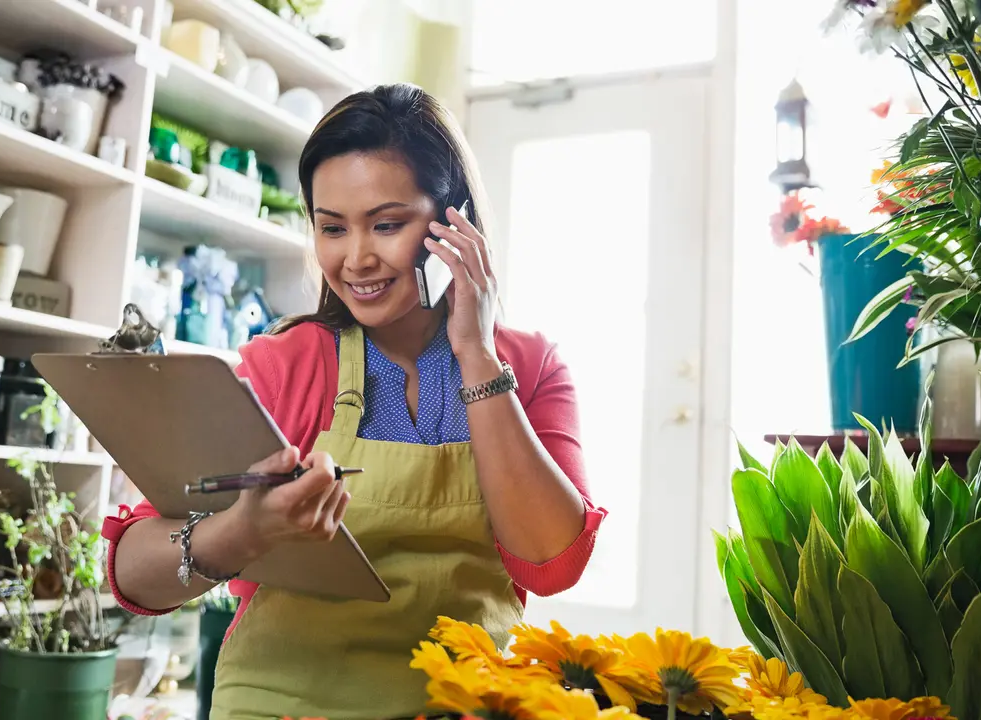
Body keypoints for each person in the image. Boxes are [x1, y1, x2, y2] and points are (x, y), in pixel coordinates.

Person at [104, 83, 606, 720]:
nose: (356, 258)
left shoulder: (531, 367)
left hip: (469, 704)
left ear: (457, 225)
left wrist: (479, 358)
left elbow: (551, 562)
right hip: (287, 703)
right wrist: (243, 531)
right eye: (332, 228)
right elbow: (130, 570)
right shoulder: (285, 364)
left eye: (388, 224)